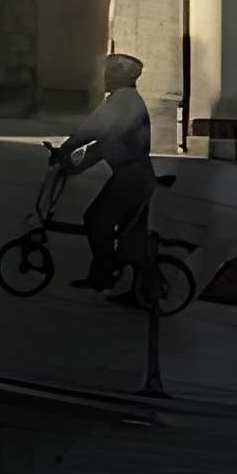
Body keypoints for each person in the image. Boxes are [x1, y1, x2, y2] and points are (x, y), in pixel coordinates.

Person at [60, 52, 154, 295]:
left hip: (131, 176)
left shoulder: (123, 100)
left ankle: (107, 269)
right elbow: (102, 145)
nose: (105, 78)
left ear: (120, 76)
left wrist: (67, 148)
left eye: (109, 73)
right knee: (131, 238)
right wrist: (73, 166)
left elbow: (94, 128)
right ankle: (135, 288)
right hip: (135, 176)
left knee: (96, 219)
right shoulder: (124, 99)